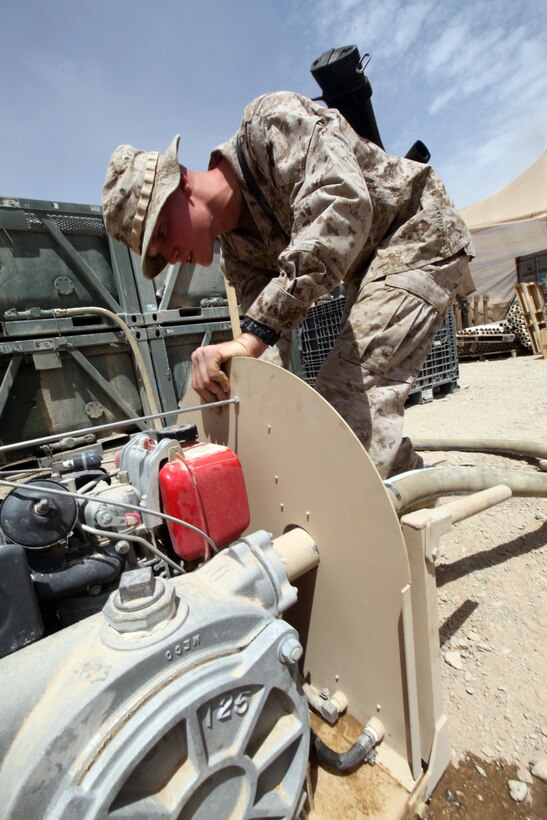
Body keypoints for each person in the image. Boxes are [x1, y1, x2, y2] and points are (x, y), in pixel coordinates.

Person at [102, 91, 474, 479]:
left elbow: (343, 204)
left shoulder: (269, 128)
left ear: (180, 183)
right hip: (369, 268)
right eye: (158, 256)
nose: (171, 255)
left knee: (346, 395)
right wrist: (228, 384)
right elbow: (267, 349)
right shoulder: (240, 254)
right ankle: (408, 490)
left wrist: (250, 338)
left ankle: (371, 510)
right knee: (345, 415)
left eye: (163, 232)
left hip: (418, 234)